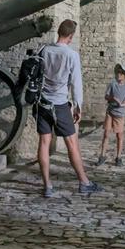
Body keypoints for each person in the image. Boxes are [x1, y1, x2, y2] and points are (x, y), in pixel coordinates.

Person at [35, 19, 102, 197]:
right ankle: (84, 182)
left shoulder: (44, 50)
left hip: (42, 104)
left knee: (43, 143)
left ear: (59, 32)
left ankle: (47, 186)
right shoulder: (71, 55)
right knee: (72, 144)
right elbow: (76, 83)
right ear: (71, 36)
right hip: (60, 105)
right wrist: (78, 106)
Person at [96, 62, 125, 167]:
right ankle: (102, 155)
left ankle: (118, 157)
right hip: (110, 112)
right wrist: (113, 98)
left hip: (120, 114)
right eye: (118, 72)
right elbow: (106, 96)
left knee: (119, 136)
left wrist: (123, 104)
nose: (119, 75)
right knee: (106, 134)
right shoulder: (112, 84)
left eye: (121, 73)